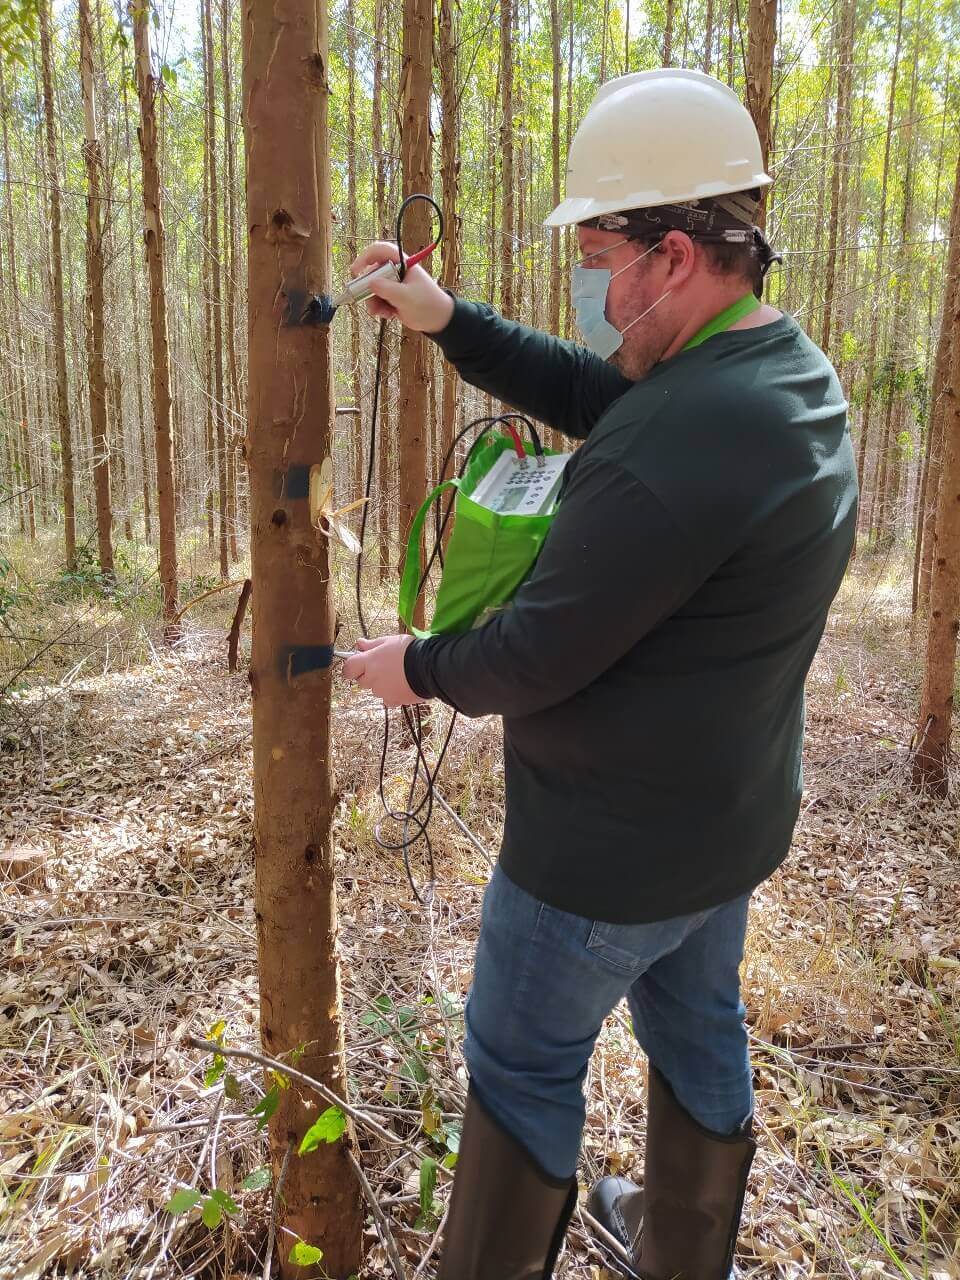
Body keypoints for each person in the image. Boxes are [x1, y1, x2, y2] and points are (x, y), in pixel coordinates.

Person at [344, 68, 858, 1280]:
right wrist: (447, 319)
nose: (587, 278)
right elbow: (602, 399)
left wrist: (414, 666)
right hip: (720, 833)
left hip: (597, 862)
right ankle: (688, 1250)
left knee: (521, 1061)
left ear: (672, 255)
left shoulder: (678, 447)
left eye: (596, 250)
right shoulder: (781, 379)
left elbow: (534, 653)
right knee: (698, 1028)